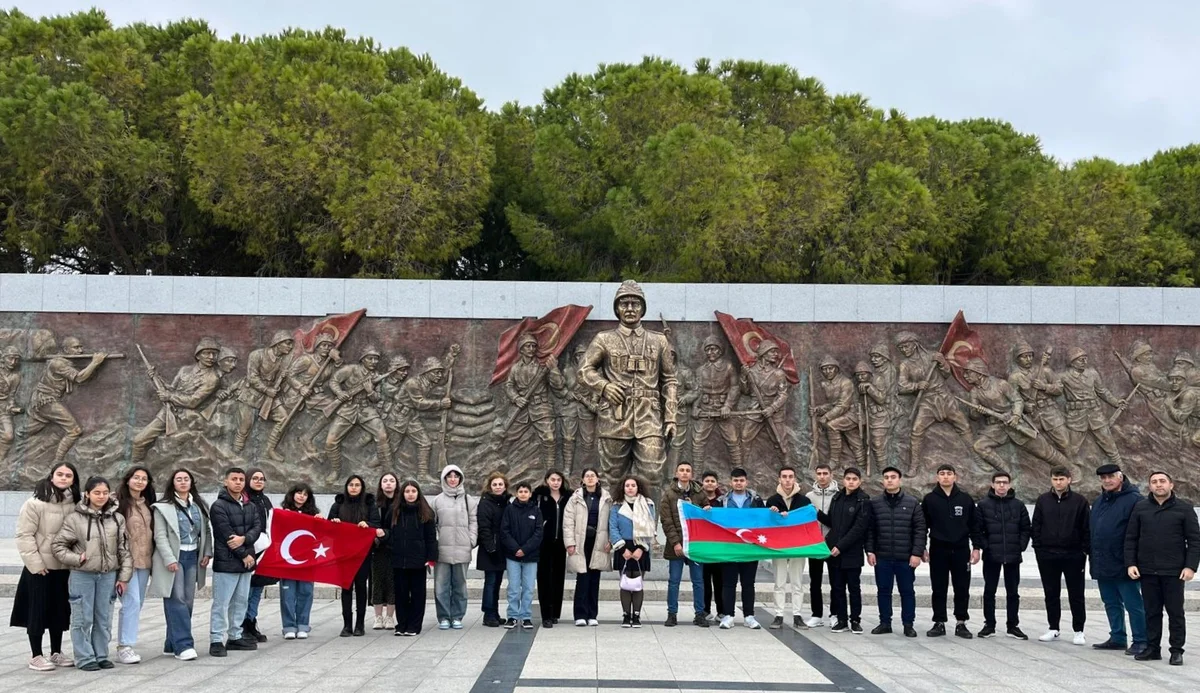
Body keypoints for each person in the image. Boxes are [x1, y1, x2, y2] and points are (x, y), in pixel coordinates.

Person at [51, 476, 132, 672]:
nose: (101, 496)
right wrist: (77, 558)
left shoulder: (117, 518)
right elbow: (58, 546)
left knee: (103, 618)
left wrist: (123, 577)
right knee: (82, 618)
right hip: (82, 576)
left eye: (105, 492)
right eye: (97, 492)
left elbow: (124, 549)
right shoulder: (75, 518)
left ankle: (101, 654)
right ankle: (85, 657)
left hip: (108, 575)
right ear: (87, 494)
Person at [1125, 471, 1200, 665]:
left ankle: (1176, 650)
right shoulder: (1140, 508)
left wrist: (1190, 566)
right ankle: (1152, 648)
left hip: (1174, 571)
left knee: (1175, 613)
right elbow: (1131, 538)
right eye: (1154, 482)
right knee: (1151, 611)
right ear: (1149, 486)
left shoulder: (1184, 509)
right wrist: (1131, 563)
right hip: (1147, 570)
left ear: (1171, 485)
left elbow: (1194, 540)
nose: (1159, 485)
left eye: (1162, 481)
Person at [12, 463, 80, 671]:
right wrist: (36, 564)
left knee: (59, 611)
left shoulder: (75, 503)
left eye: (68, 475)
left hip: (64, 567)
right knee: (37, 611)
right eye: (60, 474)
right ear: (51, 477)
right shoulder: (35, 503)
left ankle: (56, 652)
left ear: (73, 480)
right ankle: (36, 655)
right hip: (40, 568)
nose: (63, 478)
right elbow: (24, 535)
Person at [148, 469, 212, 661]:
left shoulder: (199, 506)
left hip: (192, 556)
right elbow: (160, 535)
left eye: (186, 479)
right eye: (179, 479)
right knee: (177, 600)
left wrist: (207, 552)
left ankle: (171, 642)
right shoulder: (163, 507)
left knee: (188, 600)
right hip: (174, 558)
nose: (183, 482)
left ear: (191, 482)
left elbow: (206, 531)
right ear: (172, 483)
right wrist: (169, 559)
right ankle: (183, 644)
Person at [1090, 464, 1147, 655]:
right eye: (1103, 478)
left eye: (1110, 477)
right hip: (1102, 561)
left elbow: (1139, 533)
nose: (1107, 481)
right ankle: (1117, 637)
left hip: (1124, 563)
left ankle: (1141, 640)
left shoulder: (1135, 500)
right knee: (1111, 602)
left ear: (1120, 477)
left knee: (1133, 604)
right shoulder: (1099, 501)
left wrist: (1133, 561)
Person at [921, 464, 982, 639]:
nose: (946, 477)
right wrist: (922, 548)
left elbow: (974, 526)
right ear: (937, 477)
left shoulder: (965, 499)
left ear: (955, 477)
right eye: (942, 474)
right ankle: (939, 622)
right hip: (938, 549)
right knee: (938, 587)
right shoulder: (929, 499)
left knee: (962, 587)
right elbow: (922, 526)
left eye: (949, 474)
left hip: (961, 549)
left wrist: (976, 548)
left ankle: (961, 622)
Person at [1031, 466, 1090, 645]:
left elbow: (1086, 527)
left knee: (1076, 593)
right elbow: (1037, 525)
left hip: (1073, 555)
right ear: (1051, 480)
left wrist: (1083, 550)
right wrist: (1039, 548)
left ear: (1069, 480)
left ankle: (1079, 630)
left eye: (1062, 479)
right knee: (1051, 592)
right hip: (1047, 554)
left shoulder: (1080, 501)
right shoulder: (1043, 500)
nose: (1058, 482)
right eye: (1055, 479)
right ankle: (1053, 627)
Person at [208, 467, 263, 656]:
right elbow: (225, 534)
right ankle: (216, 639)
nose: (238, 482)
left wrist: (245, 541)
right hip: (228, 561)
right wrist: (244, 553)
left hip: (246, 562)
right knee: (221, 602)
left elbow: (256, 527)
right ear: (226, 482)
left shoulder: (250, 505)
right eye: (234, 479)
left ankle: (235, 636)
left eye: (241, 479)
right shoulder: (218, 506)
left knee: (240, 602)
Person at [865, 466, 925, 638]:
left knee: (907, 591)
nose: (889, 480)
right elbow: (870, 530)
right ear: (883, 481)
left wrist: (916, 553)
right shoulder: (875, 503)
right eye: (886, 477)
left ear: (900, 480)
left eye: (893, 477)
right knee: (883, 591)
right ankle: (885, 623)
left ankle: (908, 624)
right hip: (882, 556)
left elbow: (920, 530)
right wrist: (870, 551)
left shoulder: (912, 502)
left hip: (905, 558)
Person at [976, 472, 1031, 640]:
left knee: (1013, 592)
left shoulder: (1018, 505)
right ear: (992, 484)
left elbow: (1025, 528)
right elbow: (978, 529)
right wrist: (985, 546)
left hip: (1013, 555)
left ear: (1009, 485)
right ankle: (989, 625)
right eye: (998, 482)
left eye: (1004, 482)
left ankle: (1012, 625)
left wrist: (1020, 546)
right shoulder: (983, 505)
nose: (1001, 485)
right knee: (989, 591)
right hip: (992, 555)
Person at [818, 467, 870, 634]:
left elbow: (859, 528)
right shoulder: (837, 498)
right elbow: (832, 522)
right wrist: (816, 513)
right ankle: (841, 619)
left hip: (851, 552)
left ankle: (855, 620)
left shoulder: (863, 500)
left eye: (855, 479)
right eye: (848, 479)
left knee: (854, 588)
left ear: (859, 481)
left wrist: (841, 546)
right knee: (837, 587)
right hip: (834, 552)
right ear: (843, 480)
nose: (851, 481)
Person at [329, 475, 382, 636]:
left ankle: (360, 624)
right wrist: (334, 521)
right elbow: (328, 524)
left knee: (360, 587)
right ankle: (347, 625)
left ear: (362, 487)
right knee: (346, 588)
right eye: (351, 484)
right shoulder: (338, 504)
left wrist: (368, 525)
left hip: (362, 553)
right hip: (343, 553)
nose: (353, 487)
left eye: (357, 485)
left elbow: (376, 524)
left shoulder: (369, 504)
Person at [383, 480, 438, 636]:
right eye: (407, 491)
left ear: (418, 493)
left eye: (413, 491)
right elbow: (388, 532)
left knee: (417, 595)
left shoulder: (426, 512)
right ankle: (402, 624)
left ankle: (414, 625)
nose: (410, 494)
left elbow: (431, 537)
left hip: (418, 561)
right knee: (400, 594)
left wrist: (431, 557)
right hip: (399, 560)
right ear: (402, 494)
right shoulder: (394, 511)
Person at [660, 460, 710, 627]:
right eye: (681, 470)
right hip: (677, 545)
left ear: (692, 474)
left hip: (695, 545)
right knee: (674, 580)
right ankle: (672, 613)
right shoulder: (668, 495)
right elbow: (666, 521)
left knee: (698, 581)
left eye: (688, 470)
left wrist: (708, 510)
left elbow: (706, 516)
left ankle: (700, 614)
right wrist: (675, 543)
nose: (684, 473)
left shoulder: (699, 493)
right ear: (676, 473)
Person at [115, 466, 156, 664]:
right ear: (128, 480)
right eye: (136, 478)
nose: (140, 481)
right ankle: (125, 646)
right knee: (130, 603)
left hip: (144, 562)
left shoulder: (148, 504)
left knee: (136, 604)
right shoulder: (118, 503)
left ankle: (124, 643)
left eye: (144, 479)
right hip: (126, 563)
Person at [717, 467, 765, 629]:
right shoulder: (722, 501)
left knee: (748, 583)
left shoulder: (756, 500)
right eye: (736, 480)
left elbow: (763, 519)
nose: (738, 483)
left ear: (746, 482)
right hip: (729, 549)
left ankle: (749, 616)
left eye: (741, 480)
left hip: (750, 549)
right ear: (731, 482)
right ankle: (728, 615)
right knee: (728, 583)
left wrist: (772, 512)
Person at [431, 464, 477, 630]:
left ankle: (457, 615)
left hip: (462, 549)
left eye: (455, 476)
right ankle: (444, 616)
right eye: (449, 476)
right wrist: (436, 542)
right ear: (444, 479)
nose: (452, 479)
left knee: (460, 585)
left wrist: (471, 541)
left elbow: (474, 522)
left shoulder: (469, 500)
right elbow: (432, 524)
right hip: (442, 550)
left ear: (460, 479)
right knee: (441, 586)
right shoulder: (437, 501)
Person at [563, 467, 612, 626]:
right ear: (583, 480)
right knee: (582, 578)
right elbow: (568, 522)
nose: (590, 478)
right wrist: (570, 543)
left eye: (593, 476)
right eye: (587, 476)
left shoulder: (606, 498)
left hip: (599, 541)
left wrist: (610, 541)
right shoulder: (575, 498)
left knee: (595, 578)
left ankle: (592, 614)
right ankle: (580, 614)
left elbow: (612, 521)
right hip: (581, 540)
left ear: (598, 479)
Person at [765, 466, 812, 629]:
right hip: (778, 547)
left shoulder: (804, 501)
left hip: (798, 547)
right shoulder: (772, 501)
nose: (787, 480)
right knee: (779, 582)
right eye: (784, 476)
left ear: (795, 479)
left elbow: (807, 524)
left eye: (790, 476)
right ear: (779, 479)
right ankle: (778, 614)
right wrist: (773, 515)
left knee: (797, 582)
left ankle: (797, 615)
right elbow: (766, 525)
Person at [610, 475, 656, 628]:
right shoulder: (616, 505)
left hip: (640, 546)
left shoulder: (648, 504)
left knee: (637, 583)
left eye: (633, 485)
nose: (630, 488)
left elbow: (651, 526)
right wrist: (622, 548)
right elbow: (613, 527)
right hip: (623, 547)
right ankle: (625, 615)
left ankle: (636, 615)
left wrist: (641, 548)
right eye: (627, 485)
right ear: (623, 488)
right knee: (625, 583)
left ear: (638, 487)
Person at [278, 483, 320, 640]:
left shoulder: (314, 514)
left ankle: (303, 625)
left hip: (307, 561)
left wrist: (319, 522)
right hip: (287, 560)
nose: (301, 496)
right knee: (288, 594)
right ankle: (289, 626)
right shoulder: (283, 512)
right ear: (292, 494)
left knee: (306, 592)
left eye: (305, 494)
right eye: (298, 493)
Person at [501, 482, 543, 629]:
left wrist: (525, 549)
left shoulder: (536, 511)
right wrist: (515, 549)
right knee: (513, 587)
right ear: (516, 493)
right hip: (513, 556)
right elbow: (504, 532)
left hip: (530, 557)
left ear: (530, 494)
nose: (523, 494)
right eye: (521, 491)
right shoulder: (509, 510)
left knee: (528, 588)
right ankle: (512, 616)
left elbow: (539, 533)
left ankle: (525, 616)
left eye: (526, 491)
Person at [535, 470, 571, 628]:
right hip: (544, 543)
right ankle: (546, 615)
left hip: (561, 543)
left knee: (558, 578)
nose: (556, 482)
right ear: (547, 480)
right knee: (544, 579)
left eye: (558, 480)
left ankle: (555, 612)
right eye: (553, 479)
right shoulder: (538, 496)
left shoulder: (568, 497)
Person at [805, 464, 838, 628]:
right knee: (814, 581)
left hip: (832, 544)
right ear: (815, 475)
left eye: (825, 473)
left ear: (831, 475)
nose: (822, 476)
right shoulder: (808, 496)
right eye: (819, 474)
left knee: (835, 581)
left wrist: (818, 513)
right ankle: (816, 614)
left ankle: (835, 613)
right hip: (814, 544)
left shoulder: (839, 496)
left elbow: (836, 522)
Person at [243, 469, 274, 644]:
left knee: (257, 590)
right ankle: (241, 625)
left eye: (262, 479)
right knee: (245, 590)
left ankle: (251, 621)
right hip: (249, 548)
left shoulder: (265, 500)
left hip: (264, 550)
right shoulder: (244, 499)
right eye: (255, 478)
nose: (259, 481)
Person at [477, 471, 510, 627]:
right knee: (490, 582)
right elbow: (484, 528)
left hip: (502, 549)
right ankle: (488, 614)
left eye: (500, 484)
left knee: (497, 582)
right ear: (490, 487)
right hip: (490, 549)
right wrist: (491, 549)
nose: (498, 487)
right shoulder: (485, 503)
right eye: (495, 484)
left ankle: (495, 613)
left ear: (505, 486)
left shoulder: (506, 502)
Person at [372, 473, 400, 630]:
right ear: (380, 485)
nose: (388, 484)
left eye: (392, 481)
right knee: (377, 582)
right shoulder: (375, 504)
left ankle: (390, 617)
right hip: (377, 548)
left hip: (395, 548)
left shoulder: (400, 504)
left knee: (392, 582)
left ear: (396, 484)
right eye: (385, 481)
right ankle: (377, 616)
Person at [699, 471, 726, 623]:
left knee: (719, 581)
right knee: (704, 581)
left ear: (717, 484)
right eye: (707, 480)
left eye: (712, 481)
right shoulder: (697, 501)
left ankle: (721, 611)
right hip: (703, 548)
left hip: (719, 548)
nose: (709, 483)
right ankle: (705, 610)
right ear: (702, 483)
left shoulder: (723, 502)